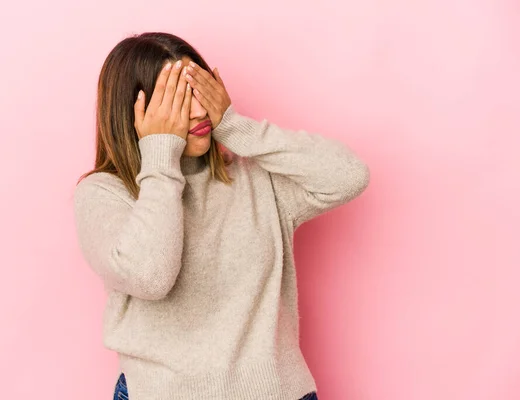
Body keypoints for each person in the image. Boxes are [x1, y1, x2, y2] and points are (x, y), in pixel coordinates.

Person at [73, 31, 370, 400]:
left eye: (200, 90)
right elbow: (150, 277)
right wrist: (161, 156)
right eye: (178, 100)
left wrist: (234, 126)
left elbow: (348, 176)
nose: (199, 111)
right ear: (136, 113)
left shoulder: (256, 179)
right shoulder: (104, 195)